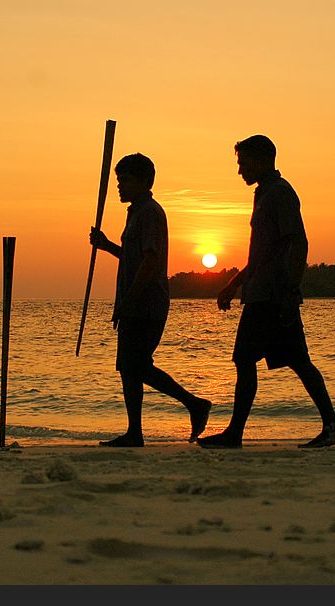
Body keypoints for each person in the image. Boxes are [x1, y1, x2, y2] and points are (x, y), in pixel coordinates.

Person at [198, 135, 335, 449]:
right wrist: (233, 284)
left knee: (257, 359)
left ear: (262, 160)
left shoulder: (280, 194)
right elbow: (261, 254)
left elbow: (298, 243)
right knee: (285, 360)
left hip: (274, 296)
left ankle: (237, 433)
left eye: (243, 163)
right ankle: (330, 425)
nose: (240, 171)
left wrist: (291, 290)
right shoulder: (262, 195)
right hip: (260, 293)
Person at [90, 153, 212, 447]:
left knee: (137, 365)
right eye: (119, 180)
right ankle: (135, 431)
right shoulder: (135, 212)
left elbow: (150, 260)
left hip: (146, 302)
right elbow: (133, 256)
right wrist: (107, 246)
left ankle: (194, 404)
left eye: (126, 180)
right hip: (134, 301)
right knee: (129, 367)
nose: (120, 186)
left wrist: (129, 301)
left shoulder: (150, 213)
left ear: (144, 182)